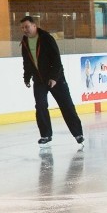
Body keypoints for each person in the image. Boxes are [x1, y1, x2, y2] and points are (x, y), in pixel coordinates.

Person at [19, 16, 84, 146]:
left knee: (66, 105)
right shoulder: (25, 42)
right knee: (41, 106)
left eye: (26, 26)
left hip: (56, 78)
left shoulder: (46, 38)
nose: (25, 30)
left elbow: (56, 60)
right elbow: (27, 62)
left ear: (34, 26)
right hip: (39, 80)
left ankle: (78, 133)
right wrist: (26, 77)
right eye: (22, 28)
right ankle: (45, 135)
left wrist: (54, 78)